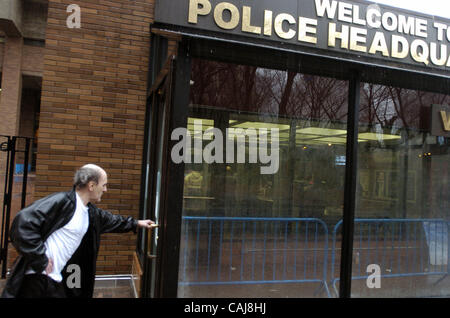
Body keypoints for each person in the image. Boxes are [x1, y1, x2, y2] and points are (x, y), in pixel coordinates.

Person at [1, 164, 156, 298]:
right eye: (104, 185)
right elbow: (22, 223)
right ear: (91, 185)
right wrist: (40, 257)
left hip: (52, 280)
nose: (106, 189)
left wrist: (137, 223)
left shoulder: (89, 212)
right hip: (37, 279)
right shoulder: (63, 202)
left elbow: (113, 220)